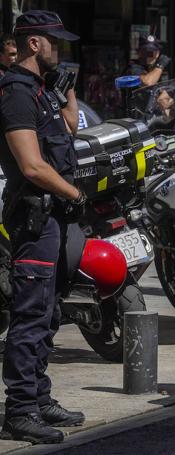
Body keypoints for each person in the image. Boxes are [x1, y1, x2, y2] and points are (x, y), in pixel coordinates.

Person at [0, 10, 87, 444]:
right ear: (35, 43)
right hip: (35, 215)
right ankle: (19, 411)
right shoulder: (16, 91)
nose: (61, 49)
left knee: (50, 311)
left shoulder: (41, 89)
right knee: (31, 314)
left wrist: (67, 92)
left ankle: (39, 396)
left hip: (54, 216)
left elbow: (69, 129)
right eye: (56, 42)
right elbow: (32, 165)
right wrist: (75, 195)